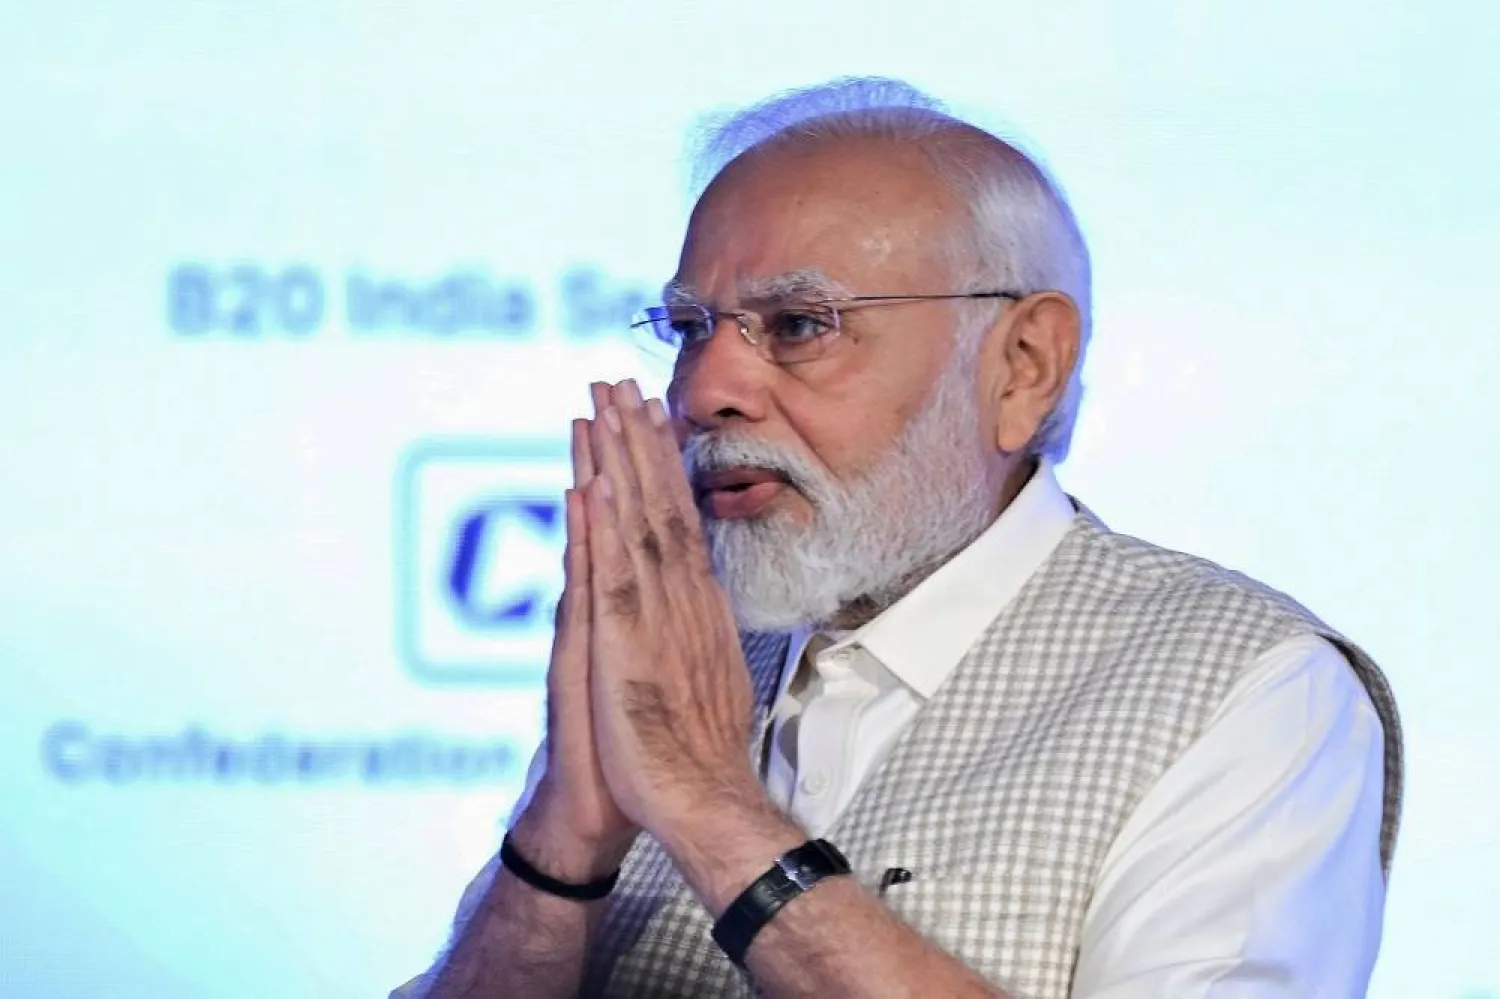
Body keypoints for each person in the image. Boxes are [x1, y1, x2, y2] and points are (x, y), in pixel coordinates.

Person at [393, 77, 1402, 999]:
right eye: (691, 327)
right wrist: (558, 850)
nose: (705, 391)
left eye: (798, 325)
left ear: (1022, 367)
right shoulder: (673, 645)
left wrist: (709, 807)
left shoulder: (1245, 688)